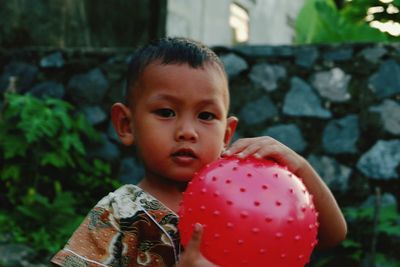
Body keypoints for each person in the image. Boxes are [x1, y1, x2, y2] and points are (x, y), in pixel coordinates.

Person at [51, 37, 347, 267]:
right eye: (166, 112)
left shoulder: (243, 199)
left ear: (226, 134)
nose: (187, 131)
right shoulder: (120, 213)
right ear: (126, 124)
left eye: (206, 116)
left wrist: (301, 171)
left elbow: (331, 236)